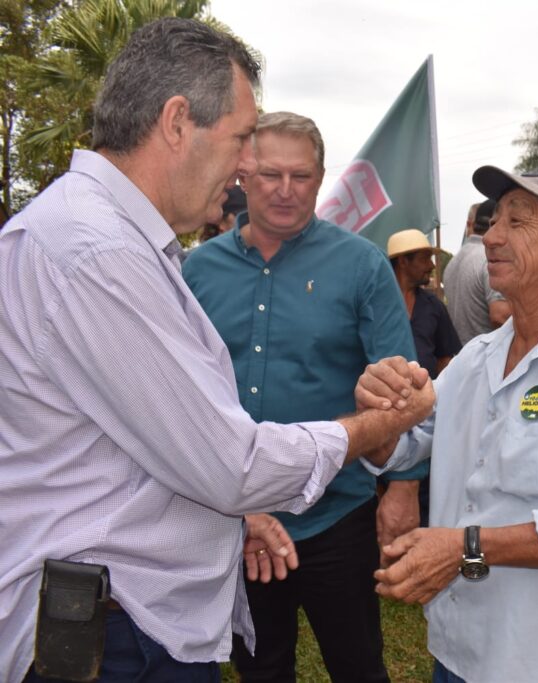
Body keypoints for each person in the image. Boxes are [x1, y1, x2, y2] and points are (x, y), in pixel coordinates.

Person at [0, 20, 432, 682]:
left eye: (296, 173)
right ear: (178, 122)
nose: (243, 169)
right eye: (240, 144)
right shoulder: (101, 255)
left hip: (156, 596)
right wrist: (375, 427)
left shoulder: (99, 241)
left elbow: (131, 438)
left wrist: (221, 511)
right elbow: (231, 465)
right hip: (115, 632)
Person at [357, 159, 538, 683]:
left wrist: (464, 547)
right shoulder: (477, 357)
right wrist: (380, 414)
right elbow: (409, 445)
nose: (492, 236)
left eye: (517, 221)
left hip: (530, 657)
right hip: (454, 643)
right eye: (495, 219)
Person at [183, 111, 426, 682]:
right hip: (238, 519)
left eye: (302, 176)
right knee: (261, 668)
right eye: (270, 174)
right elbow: (183, 399)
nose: (285, 190)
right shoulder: (197, 271)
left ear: (321, 179)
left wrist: (405, 487)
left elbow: (404, 387)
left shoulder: (362, 266)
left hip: (336, 515)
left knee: (359, 665)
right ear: (244, 173)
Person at [388, 228, 462, 379]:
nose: (432, 266)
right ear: (403, 262)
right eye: (424, 259)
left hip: (427, 398)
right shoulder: (374, 305)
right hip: (383, 399)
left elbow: (445, 358)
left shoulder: (434, 306)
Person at [443, 199, 511, 344]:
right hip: (489, 356)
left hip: (466, 355)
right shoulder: (490, 259)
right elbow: (500, 316)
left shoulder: (454, 260)